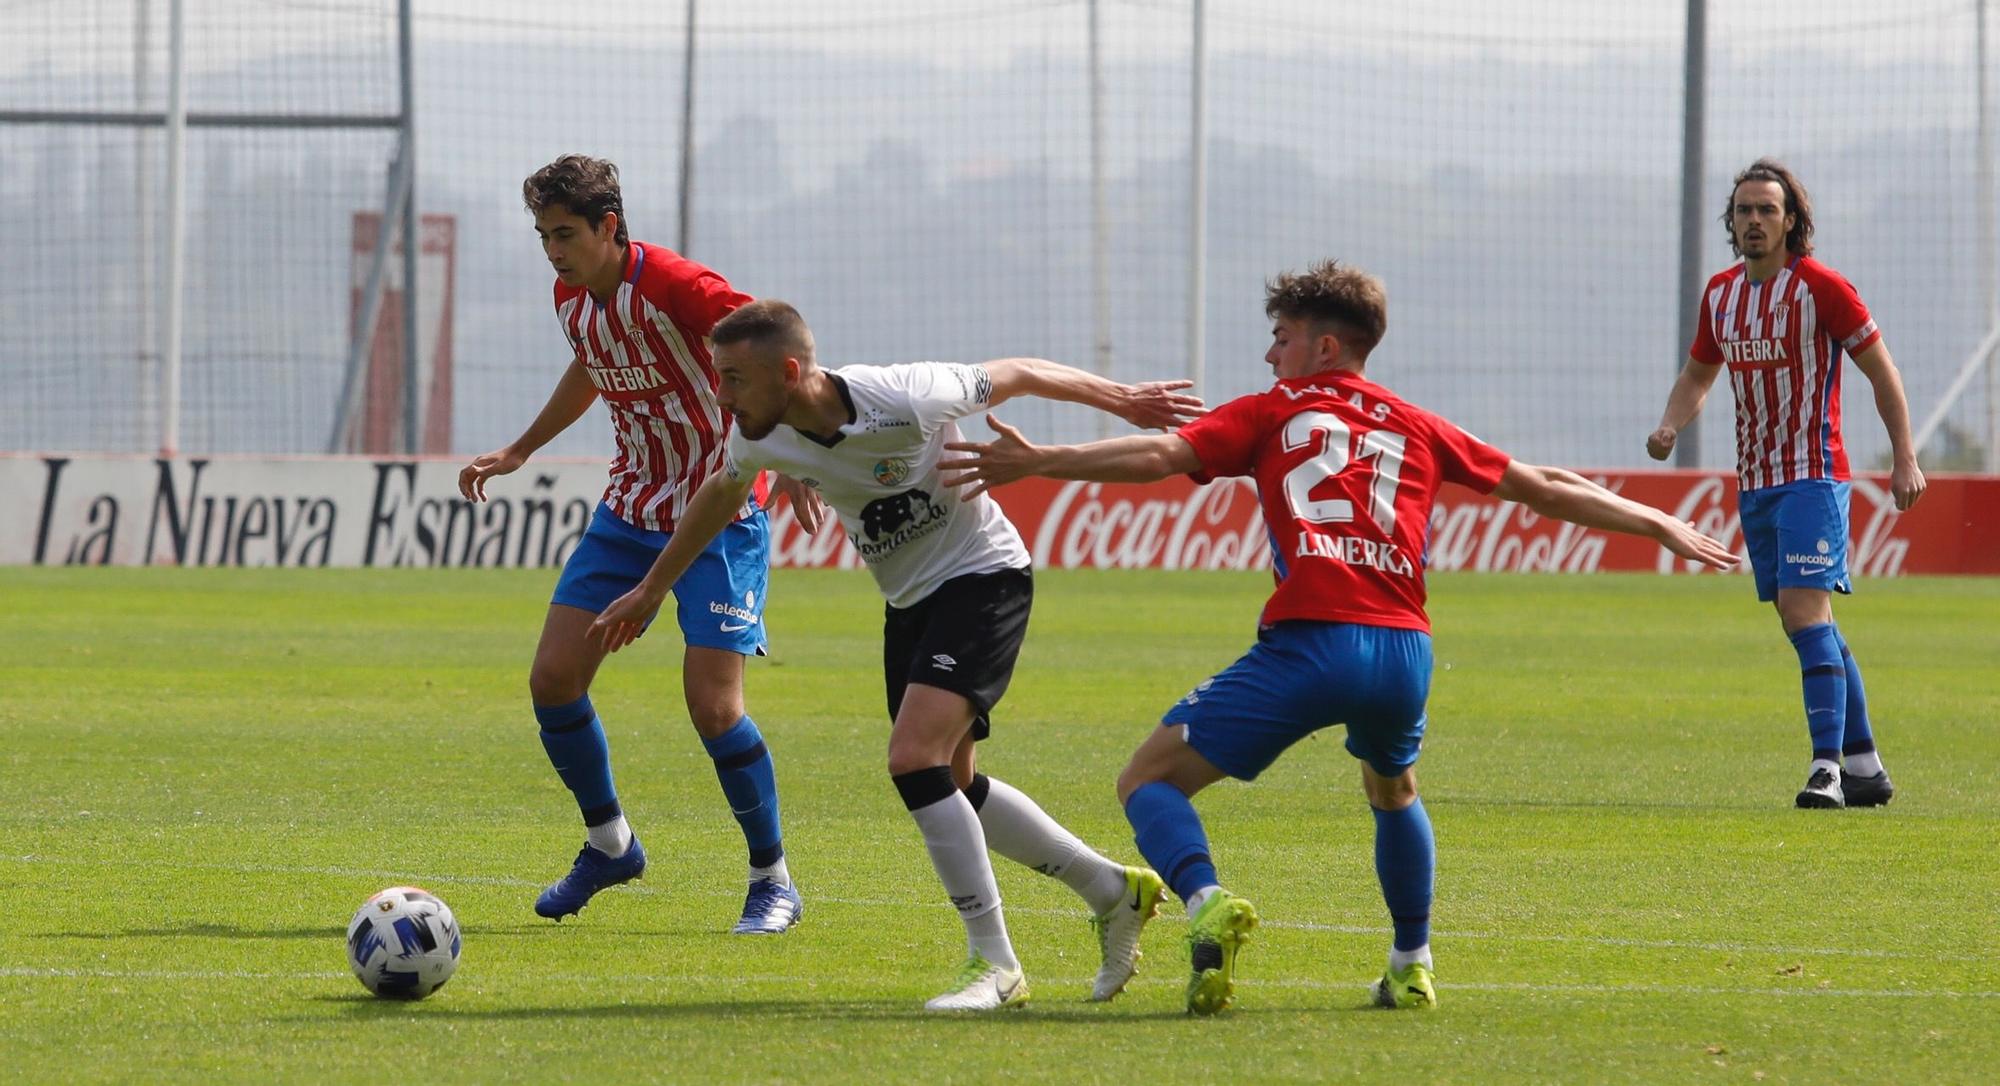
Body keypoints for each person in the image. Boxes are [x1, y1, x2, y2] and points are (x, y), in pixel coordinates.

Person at [938, 259, 1739, 1014]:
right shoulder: (1418, 424)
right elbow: (1544, 487)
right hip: (1404, 652)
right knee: (1393, 789)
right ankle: (1411, 964)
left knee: (1147, 780)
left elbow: (1158, 454)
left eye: (1281, 338)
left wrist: (1043, 460)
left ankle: (1207, 902)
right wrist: (1656, 521)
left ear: (1324, 345)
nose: (1269, 354)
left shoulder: (1272, 411)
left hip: (1314, 641)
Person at [590, 299, 1205, 1011]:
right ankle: (1112, 890)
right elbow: (718, 495)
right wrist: (648, 590)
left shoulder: (904, 396)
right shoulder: (761, 435)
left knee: (913, 759)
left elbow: (1020, 372)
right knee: (954, 781)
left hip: (984, 575)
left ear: (789, 372)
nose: (721, 395)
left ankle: (995, 965)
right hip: (910, 603)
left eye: (733, 379)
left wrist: (1122, 398)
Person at [459, 155, 822, 934]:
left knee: (714, 710)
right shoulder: (570, 294)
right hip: (630, 506)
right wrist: (522, 448)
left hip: (719, 508)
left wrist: (797, 446)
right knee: (554, 678)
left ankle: (773, 879)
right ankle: (609, 843)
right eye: (543, 235)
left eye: (566, 234)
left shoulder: (680, 285)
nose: (553, 250)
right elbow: (595, 367)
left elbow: (776, 343)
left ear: (610, 227)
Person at [1647, 158, 1926, 810]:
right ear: (1732, 221)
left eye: (1767, 210)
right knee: (1807, 620)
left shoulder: (1821, 288)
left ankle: (1825, 768)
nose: (1753, 221)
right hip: (1757, 484)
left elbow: (1882, 372)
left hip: (1814, 475)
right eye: (1744, 210)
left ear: (1792, 220)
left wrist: (1904, 457)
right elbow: (1698, 374)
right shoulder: (1721, 296)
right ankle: (1863, 764)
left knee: (1805, 613)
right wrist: (1667, 425)